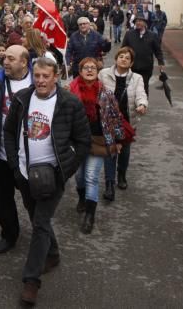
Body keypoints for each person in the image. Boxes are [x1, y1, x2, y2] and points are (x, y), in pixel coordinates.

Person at [3, 58, 90, 306]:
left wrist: (66, 169)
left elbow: (83, 141)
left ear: (56, 76)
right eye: (37, 75)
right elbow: (9, 132)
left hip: (54, 177)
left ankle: (31, 281)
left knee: (40, 223)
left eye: (46, 76)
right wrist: (13, 163)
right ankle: (52, 253)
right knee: (35, 218)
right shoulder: (21, 99)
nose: (40, 80)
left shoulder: (69, 103)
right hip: (24, 174)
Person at [0, 44, 32, 254]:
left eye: (11, 59)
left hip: (28, 155)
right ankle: (9, 234)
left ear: (24, 62)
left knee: (32, 199)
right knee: (3, 199)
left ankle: (42, 234)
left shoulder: (37, 81)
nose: (5, 61)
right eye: (5, 58)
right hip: (2, 151)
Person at [68, 58, 125, 235]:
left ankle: (90, 216)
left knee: (91, 176)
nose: (90, 70)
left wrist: (118, 140)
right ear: (80, 70)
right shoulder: (70, 91)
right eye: (86, 67)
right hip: (77, 141)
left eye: (93, 67)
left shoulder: (106, 92)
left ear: (97, 71)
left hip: (98, 140)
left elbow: (115, 117)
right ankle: (82, 199)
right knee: (79, 177)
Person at [100, 47, 147, 195]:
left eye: (127, 58)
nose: (124, 59)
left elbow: (141, 93)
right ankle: (109, 183)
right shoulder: (103, 74)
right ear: (116, 59)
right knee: (110, 151)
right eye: (121, 56)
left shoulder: (137, 78)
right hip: (108, 121)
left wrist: (142, 105)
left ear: (131, 63)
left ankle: (121, 175)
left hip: (127, 121)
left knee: (124, 152)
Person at [121, 15, 166, 95]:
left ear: (145, 23)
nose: (138, 23)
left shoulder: (152, 35)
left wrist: (161, 62)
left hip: (146, 67)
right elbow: (123, 49)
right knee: (131, 87)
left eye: (140, 21)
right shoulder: (129, 34)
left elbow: (158, 50)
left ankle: (143, 105)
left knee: (144, 87)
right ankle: (131, 105)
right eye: (136, 21)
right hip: (131, 66)